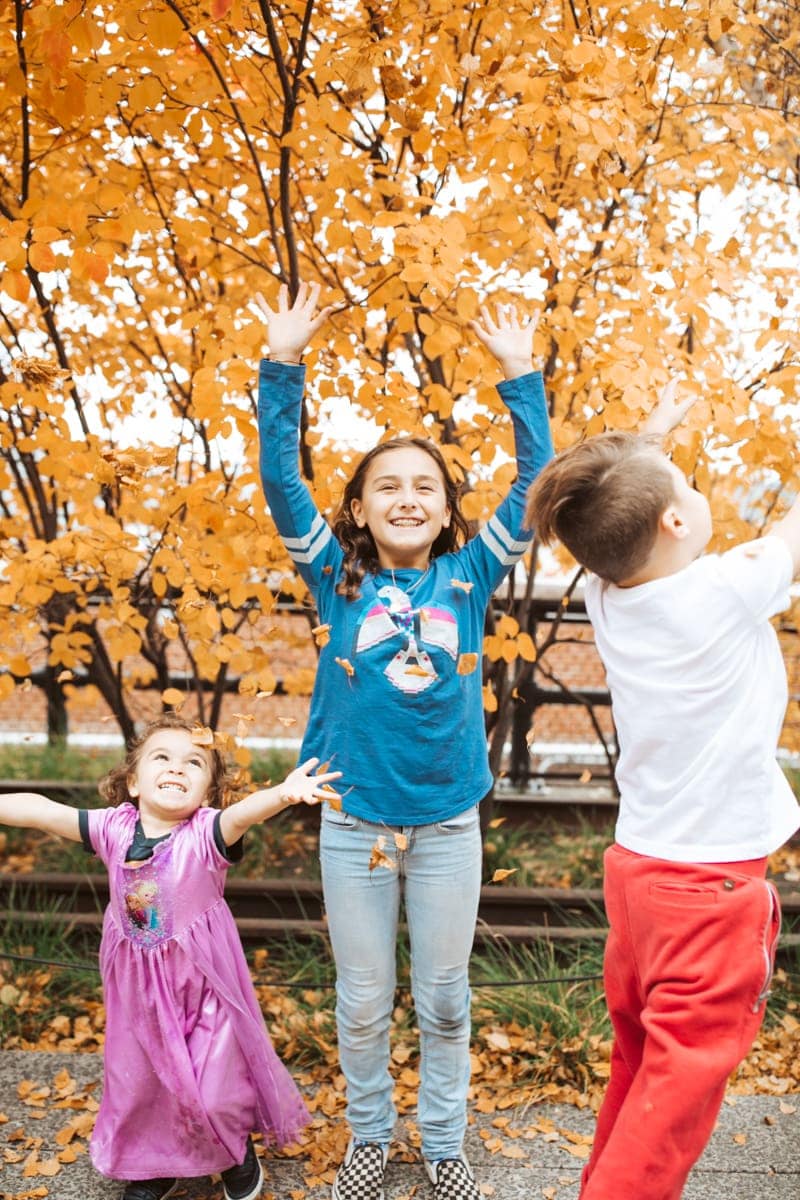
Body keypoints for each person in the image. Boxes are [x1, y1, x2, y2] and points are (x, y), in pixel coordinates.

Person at [253, 281, 554, 1200]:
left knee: (446, 1000)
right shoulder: (336, 578)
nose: (408, 496)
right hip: (354, 826)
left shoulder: (469, 574)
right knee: (360, 1003)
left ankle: (445, 1142)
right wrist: (282, 365)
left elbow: (536, 480)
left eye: (425, 484)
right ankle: (372, 1140)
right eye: (387, 484)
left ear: (446, 508)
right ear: (359, 507)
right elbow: (279, 476)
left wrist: (519, 375)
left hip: (447, 826)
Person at [525, 380, 800, 1200]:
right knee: (678, 1090)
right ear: (677, 520)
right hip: (707, 891)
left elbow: (614, 517)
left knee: (642, 1064)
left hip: (642, 876)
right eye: (684, 483)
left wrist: (647, 440)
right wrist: (650, 452)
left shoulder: (613, 593)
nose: (694, 489)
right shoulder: (722, 588)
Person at [0, 713, 341, 1200]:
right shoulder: (112, 828)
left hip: (204, 986)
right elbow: (41, 810)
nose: (177, 768)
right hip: (138, 990)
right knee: (143, 1083)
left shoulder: (207, 835)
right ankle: (153, 1167)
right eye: (162, 757)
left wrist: (283, 795)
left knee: (216, 1085)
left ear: (206, 792)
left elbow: (243, 814)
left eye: (194, 763)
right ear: (134, 781)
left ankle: (235, 1151)